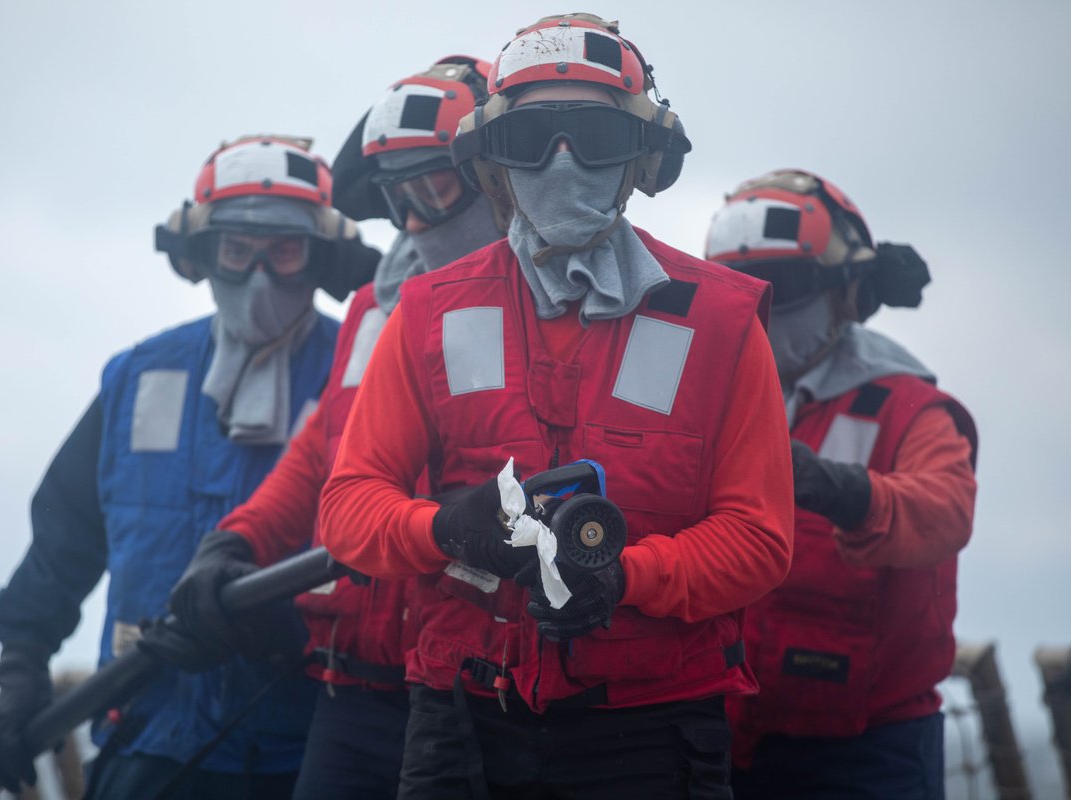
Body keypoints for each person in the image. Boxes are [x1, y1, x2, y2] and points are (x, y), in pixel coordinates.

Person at [317, 14, 796, 799]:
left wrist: (625, 577)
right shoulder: (426, 311)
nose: (562, 164)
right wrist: (444, 527)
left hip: (649, 733)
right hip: (461, 722)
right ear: (493, 162)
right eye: (533, 137)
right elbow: (346, 508)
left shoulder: (722, 323)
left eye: (594, 137)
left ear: (643, 159)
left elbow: (759, 538)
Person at [0, 135, 378, 799]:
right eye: (237, 251)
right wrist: (22, 671)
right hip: (146, 740)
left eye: (283, 252)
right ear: (201, 253)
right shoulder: (138, 377)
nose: (259, 277)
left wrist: (279, 635)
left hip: (303, 752)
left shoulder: (364, 377)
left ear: (322, 256)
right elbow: (63, 541)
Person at [168, 57, 505, 800]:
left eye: (434, 190)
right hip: (352, 691)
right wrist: (237, 543)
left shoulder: (546, 317)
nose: (413, 221)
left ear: (496, 179)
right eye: (397, 198)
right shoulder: (373, 312)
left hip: (480, 693)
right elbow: (324, 451)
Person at [704, 169, 978, 799]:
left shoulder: (909, 407)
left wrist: (838, 489)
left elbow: (946, 509)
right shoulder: (708, 397)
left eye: (788, 283)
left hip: (869, 750)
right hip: (726, 733)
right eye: (745, 284)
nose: (766, 301)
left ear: (847, 292)